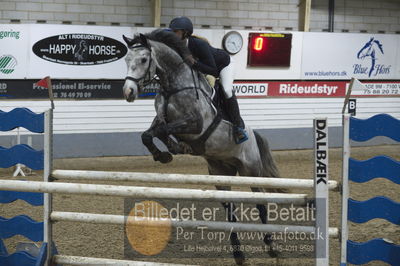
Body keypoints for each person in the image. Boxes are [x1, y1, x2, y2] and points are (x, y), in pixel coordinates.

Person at [169, 16, 248, 144]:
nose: (173, 34)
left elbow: (213, 70)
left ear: (185, 33)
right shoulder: (176, 46)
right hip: (203, 69)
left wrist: (194, 63)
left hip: (223, 65)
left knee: (227, 89)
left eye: (175, 32)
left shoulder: (199, 44)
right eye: (172, 32)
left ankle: (238, 125)